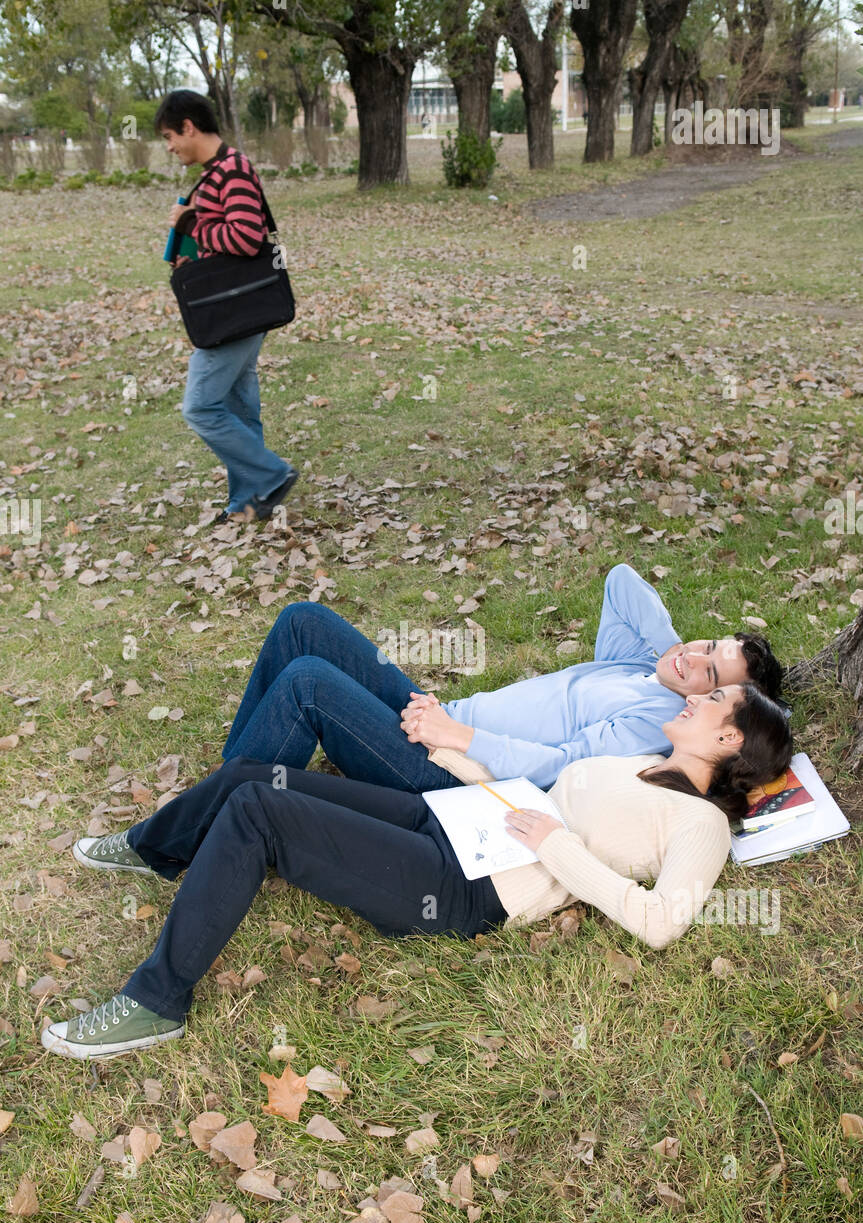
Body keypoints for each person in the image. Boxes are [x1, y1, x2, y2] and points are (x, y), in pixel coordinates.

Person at [42, 683, 793, 1059]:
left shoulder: (700, 825)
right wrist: (451, 756)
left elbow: (661, 924)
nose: (694, 697)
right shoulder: (643, 764)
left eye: (712, 700)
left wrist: (559, 848)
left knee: (259, 815)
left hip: (463, 888)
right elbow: (538, 795)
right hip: (450, 821)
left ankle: (156, 1002)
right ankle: (159, 851)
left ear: (728, 738)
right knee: (258, 777)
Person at [74, 565, 783, 885]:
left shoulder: (654, 720)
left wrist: (459, 738)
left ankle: (179, 841)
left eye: (712, 680)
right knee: (304, 624)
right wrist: (690, 654)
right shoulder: (642, 665)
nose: (691, 664)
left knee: (307, 685)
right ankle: (221, 795)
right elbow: (622, 581)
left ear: (723, 716)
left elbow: (558, 766)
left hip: (447, 771)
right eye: (702, 643)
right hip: (440, 721)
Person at [157, 89, 297, 524]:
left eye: (169, 136)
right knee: (238, 407)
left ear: (189, 126)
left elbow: (246, 237)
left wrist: (192, 223)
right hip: (234, 306)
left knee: (200, 407)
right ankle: (249, 504)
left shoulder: (232, 171)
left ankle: (271, 474)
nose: (170, 147)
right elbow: (225, 243)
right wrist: (192, 252)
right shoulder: (214, 172)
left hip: (233, 312)